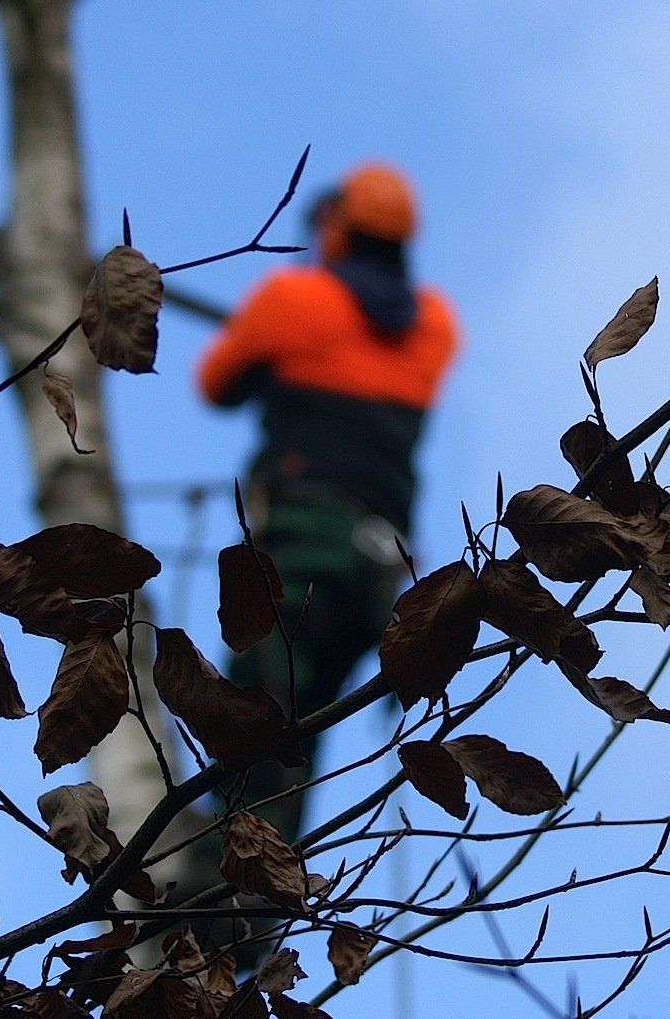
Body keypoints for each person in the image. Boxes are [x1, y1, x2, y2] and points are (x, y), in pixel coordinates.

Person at [196, 161, 459, 840]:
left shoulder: (294, 299)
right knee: (302, 726)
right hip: (381, 563)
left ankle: (226, 871)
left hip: (307, 530)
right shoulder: (435, 324)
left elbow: (216, 383)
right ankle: (262, 882)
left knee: (260, 702)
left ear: (338, 229)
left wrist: (271, 351)